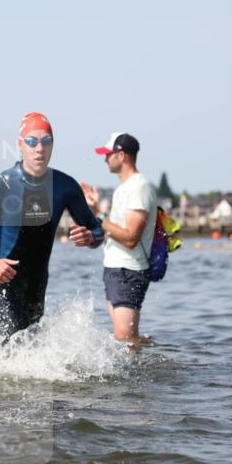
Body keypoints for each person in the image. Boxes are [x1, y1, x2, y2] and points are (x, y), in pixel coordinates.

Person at [0, 112, 104, 339]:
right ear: (20, 145)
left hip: (37, 291)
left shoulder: (65, 186)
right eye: (32, 141)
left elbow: (98, 230)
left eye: (46, 141)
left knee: (32, 353)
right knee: (17, 349)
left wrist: (90, 238)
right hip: (5, 290)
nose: (39, 148)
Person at [80, 133, 157, 344]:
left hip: (129, 270)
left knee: (125, 338)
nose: (105, 159)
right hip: (115, 269)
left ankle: (146, 364)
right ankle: (146, 360)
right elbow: (114, 232)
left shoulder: (139, 187)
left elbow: (131, 238)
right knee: (123, 338)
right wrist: (94, 219)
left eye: (108, 154)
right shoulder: (123, 189)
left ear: (121, 155)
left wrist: (99, 215)